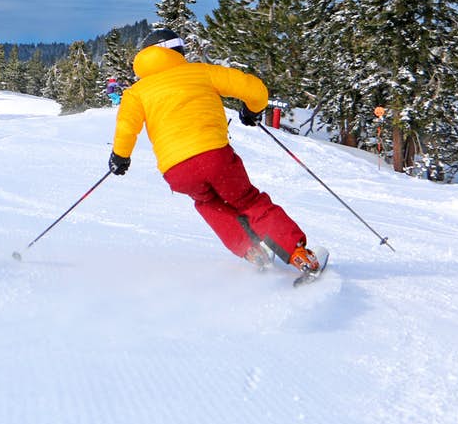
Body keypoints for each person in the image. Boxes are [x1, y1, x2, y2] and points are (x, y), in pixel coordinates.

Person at [107, 28, 320, 274]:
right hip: (214, 157)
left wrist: (120, 157)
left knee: (208, 203)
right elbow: (255, 89)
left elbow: (126, 128)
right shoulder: (200, 72)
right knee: (247, 200)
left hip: (177, 171)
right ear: (176, 51)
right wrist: (252, 110)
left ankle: (252, 251)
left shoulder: (137, 92)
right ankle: (297, 253)